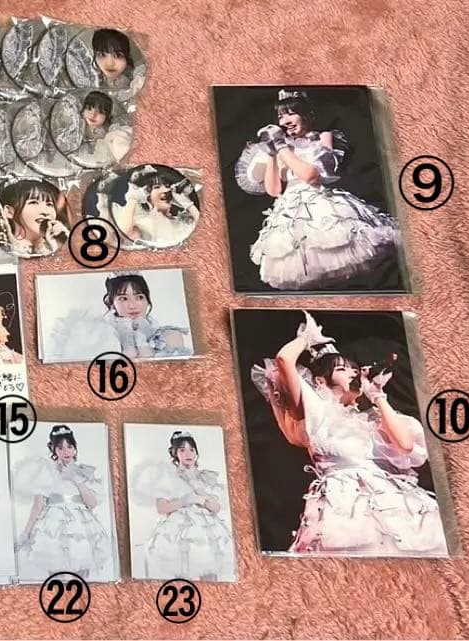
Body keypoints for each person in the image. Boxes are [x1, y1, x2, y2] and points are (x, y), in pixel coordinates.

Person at [250, 311, 446, 555]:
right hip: (344, 512)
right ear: (320, 381)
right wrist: (308, 337)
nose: (353, 373)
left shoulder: (373, 419)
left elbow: (405, 446)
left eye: (354, 370)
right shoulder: (318, 412)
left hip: (391, 505)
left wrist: (377, 395)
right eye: (343, 370)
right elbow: (283, 359)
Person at [235, 89, 399, 289]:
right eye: (280, 116)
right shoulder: (282, 149)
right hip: (290, 215)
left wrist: (280, 146)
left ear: (307, 114)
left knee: (338, 257)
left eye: (291, 113)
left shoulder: (322, 139)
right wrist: (271, 153)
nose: (285, 121)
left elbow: (310, 175)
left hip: (322, 207)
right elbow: (274, 190)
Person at [129, 431, 234, 580]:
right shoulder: (170, 477)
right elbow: (162, 508)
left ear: (196, 453)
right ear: (175, 453)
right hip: (179, 530)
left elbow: (216, 507)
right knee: (181, 572)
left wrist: (196, 488)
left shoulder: (205, 477)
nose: (188, 454)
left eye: (191, 449)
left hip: (208, 530)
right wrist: (185, 501)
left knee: (210, 573)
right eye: (182, 450)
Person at [13, 425, 111, 578]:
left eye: (69, 447)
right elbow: (38, 505)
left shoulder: (84, 472)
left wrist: (75, 478)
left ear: (75, 449)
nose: (66, 451)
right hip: (53, 525)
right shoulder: (46, 472)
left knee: (80, 570)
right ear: (54, 450)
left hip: (80, 526)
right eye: (60, 448)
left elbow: (92, 503)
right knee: (56, 571)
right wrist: (26, 532)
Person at [102, 164, 199, 248]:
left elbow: (203, 227)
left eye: (167, 186)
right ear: (146, 196)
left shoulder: (180, 221)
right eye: (157, 187)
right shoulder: (144, 222)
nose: (166, 190)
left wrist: (188, 205)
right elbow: (123, 232)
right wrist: (133, 198)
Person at [0, 179, 70, 258]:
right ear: (9, 212)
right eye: (33, 202)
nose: (45, 212)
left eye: (49, 204)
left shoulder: (56, 244)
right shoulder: (1, 252)